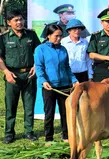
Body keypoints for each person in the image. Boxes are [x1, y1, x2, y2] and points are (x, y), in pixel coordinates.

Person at [0, 10, 41, 144]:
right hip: (12, 75)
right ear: (9, 23)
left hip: (29, 74)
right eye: (16, 20)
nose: (19, 22)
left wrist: (36, 66)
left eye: (21, 19)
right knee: (11, 106)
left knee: (29, 105)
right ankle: (9, 133)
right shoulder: (4, 37)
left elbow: (39, 51)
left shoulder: (31, 34)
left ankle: (29, 131)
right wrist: (6, 72)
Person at [34, 24, 78, 144]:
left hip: (64, 86)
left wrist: (74, 80)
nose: (59, 39)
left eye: (60, 36)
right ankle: (49, 138)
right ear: (48, 35)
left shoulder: (63, 49)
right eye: (56, 36)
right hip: (49, 86)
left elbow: (67, 67)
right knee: (49, 112)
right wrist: (43, 81)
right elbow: (39, 67)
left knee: (65, 112)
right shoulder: (40, 49)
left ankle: (66, 136)